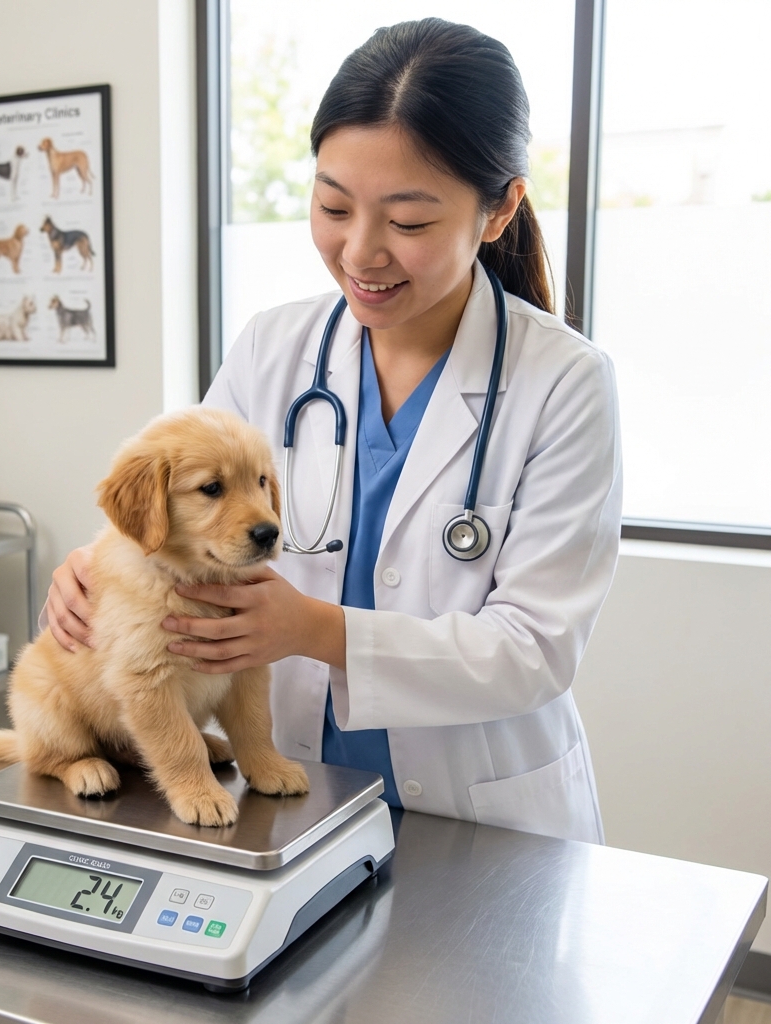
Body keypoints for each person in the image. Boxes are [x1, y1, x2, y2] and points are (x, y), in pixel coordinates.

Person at [45, 18, 621, 843]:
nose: (361, 251)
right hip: (289, 790)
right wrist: (95, 567)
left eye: (410, 222)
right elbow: (184, 510)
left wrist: (313, 629)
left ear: (499, 211)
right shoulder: (272, 348)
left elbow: (534, 649)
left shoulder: (564, 383)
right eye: (332, 205)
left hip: (479, 817)